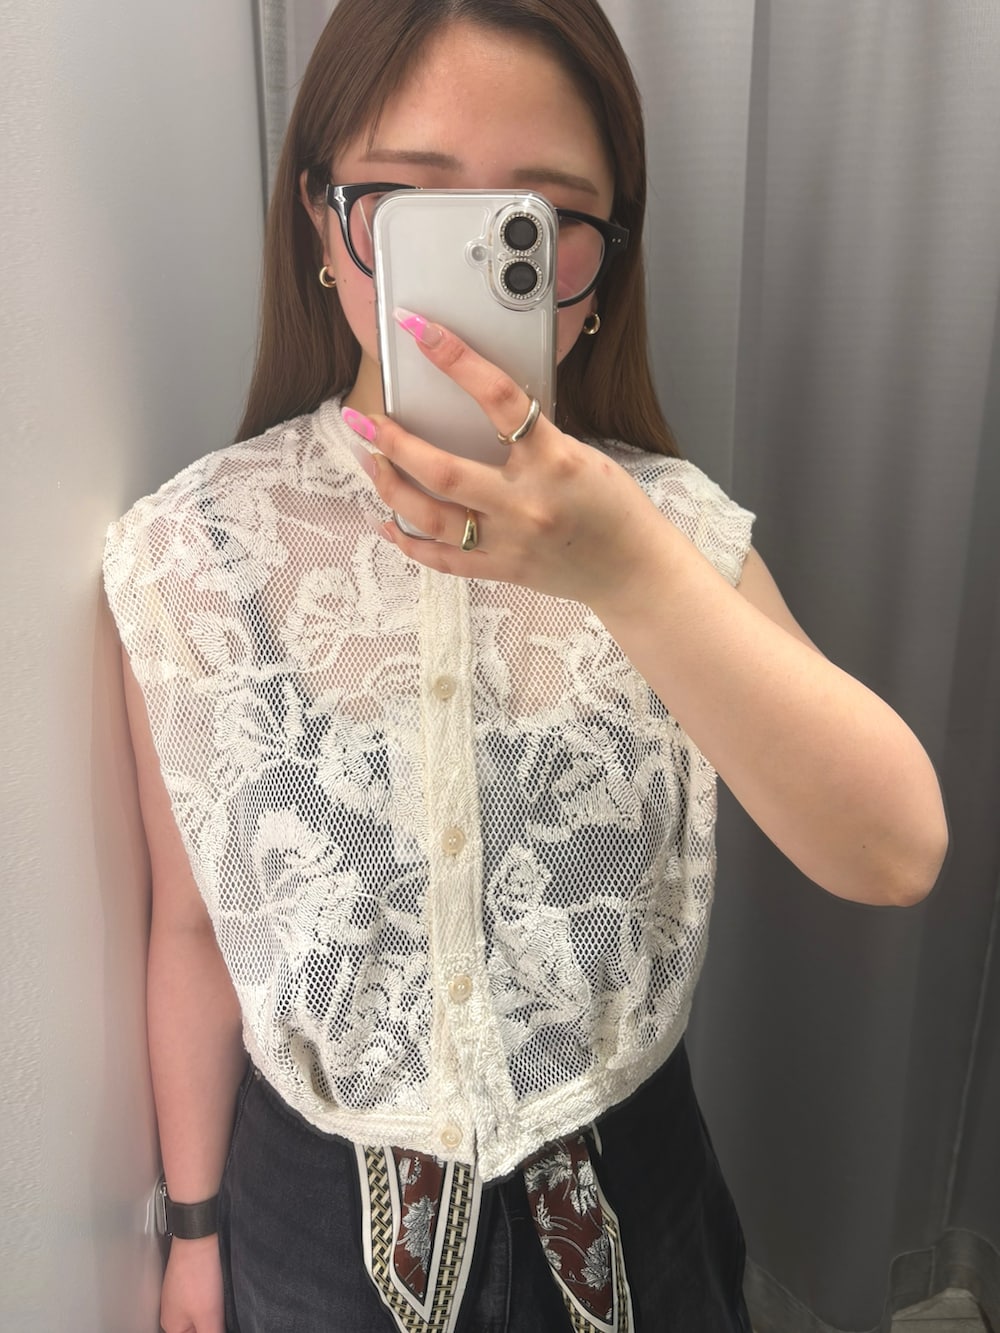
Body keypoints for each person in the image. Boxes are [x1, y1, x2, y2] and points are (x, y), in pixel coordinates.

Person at [103, 2, 949, 1330]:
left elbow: (895, 851)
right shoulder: (191, 548)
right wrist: (193, 1231)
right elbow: (196, 929)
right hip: (306, 1231)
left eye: (538, 219)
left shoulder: (672, 534)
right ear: (324, 222)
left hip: (633, 1208)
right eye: (409, 201)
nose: (472, 260)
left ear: (598, 271)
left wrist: (630, 571)